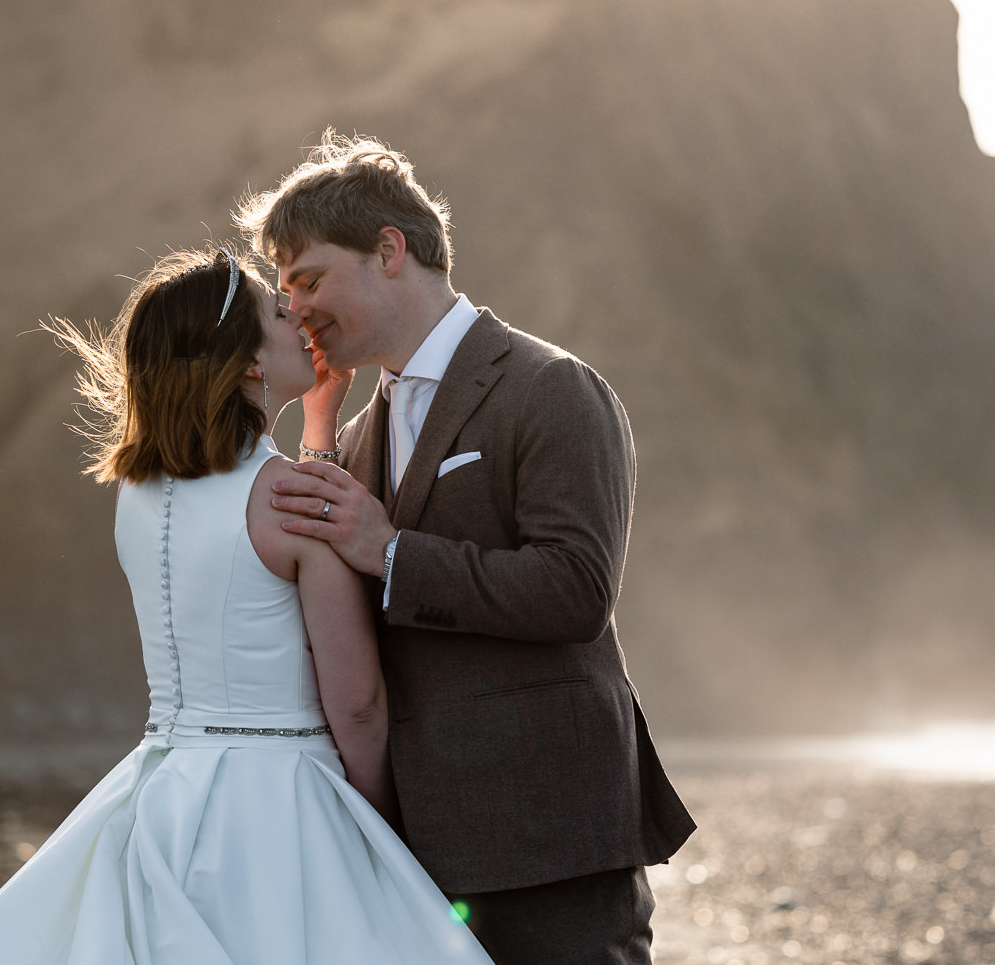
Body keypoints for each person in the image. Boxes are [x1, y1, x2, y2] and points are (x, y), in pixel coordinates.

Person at [0, 246, 493, 964]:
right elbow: (356, 703)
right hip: (282, 807)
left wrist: (318, 431)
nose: (299, 318)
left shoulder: (137, 493)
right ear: (250, 362)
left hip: (163, 790)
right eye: (276, 311)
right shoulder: (292, 500)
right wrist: (383, 835)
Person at [238, 133, 696, 965]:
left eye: (308, 279)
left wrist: (392, 552)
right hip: (419, 850)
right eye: (285, 291)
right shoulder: (356, 430)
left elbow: (577, 587)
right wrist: (317, 440)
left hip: (550, 841)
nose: (295, 308)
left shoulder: (551, 387)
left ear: (388, 250)